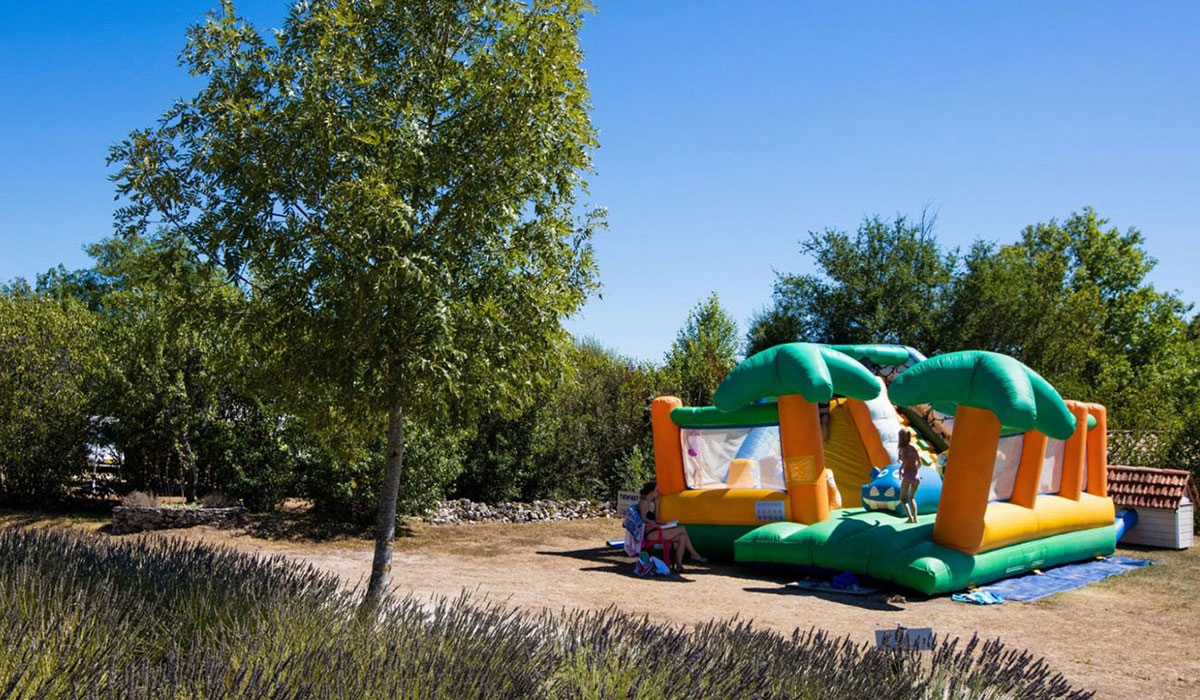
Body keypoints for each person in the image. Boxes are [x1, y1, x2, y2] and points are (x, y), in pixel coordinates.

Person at [637, 481, 707, 571]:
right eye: (656, 491)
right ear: (651, 492)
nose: (658, 493)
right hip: (651, 532)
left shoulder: (651, 502)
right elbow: (643, 518)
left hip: (656, 529)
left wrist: (657, 504)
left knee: (682, 537)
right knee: (682, 528)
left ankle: (679, 565)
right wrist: (656, 525)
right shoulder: (643, 502)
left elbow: (656, 518)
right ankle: (694, 554)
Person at [898, 429, 921, 523]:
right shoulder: (913, 448)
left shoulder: (902, 449)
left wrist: (901, 469)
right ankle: (916, 518)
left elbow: (905, 460)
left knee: (903, 498)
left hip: (907, 476)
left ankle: (910, 518)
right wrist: (915, 470)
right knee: (912, 497)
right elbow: (919, 463)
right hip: (916, 477)